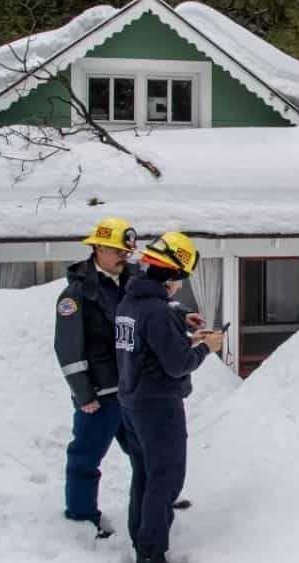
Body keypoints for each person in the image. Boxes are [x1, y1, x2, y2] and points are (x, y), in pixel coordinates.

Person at [54, 218, 201, 538]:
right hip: (102, 392)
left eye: (127, 249)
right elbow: (67, 348)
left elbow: (154, 309)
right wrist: (84, 395)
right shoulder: (77, 292)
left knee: (145, 455)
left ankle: (156, 500)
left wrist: (180, 315)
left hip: (134, 386)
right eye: (115, 249)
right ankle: (81, 514)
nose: (123, 255)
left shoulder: (133, 280)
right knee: (86, 454)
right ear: (96, 248)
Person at [115, 231, 223, 563]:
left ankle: (142, 542)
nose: (180, 288)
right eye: (180, 281)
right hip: (159, 407)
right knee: (165, 480)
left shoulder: (130, 303)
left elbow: (151, 346)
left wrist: (181, 325)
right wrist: (208, 347)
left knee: (144, 477)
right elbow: (177, 364)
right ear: (172, 277)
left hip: (132, 402)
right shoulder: (156, 311)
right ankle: (152, 556)